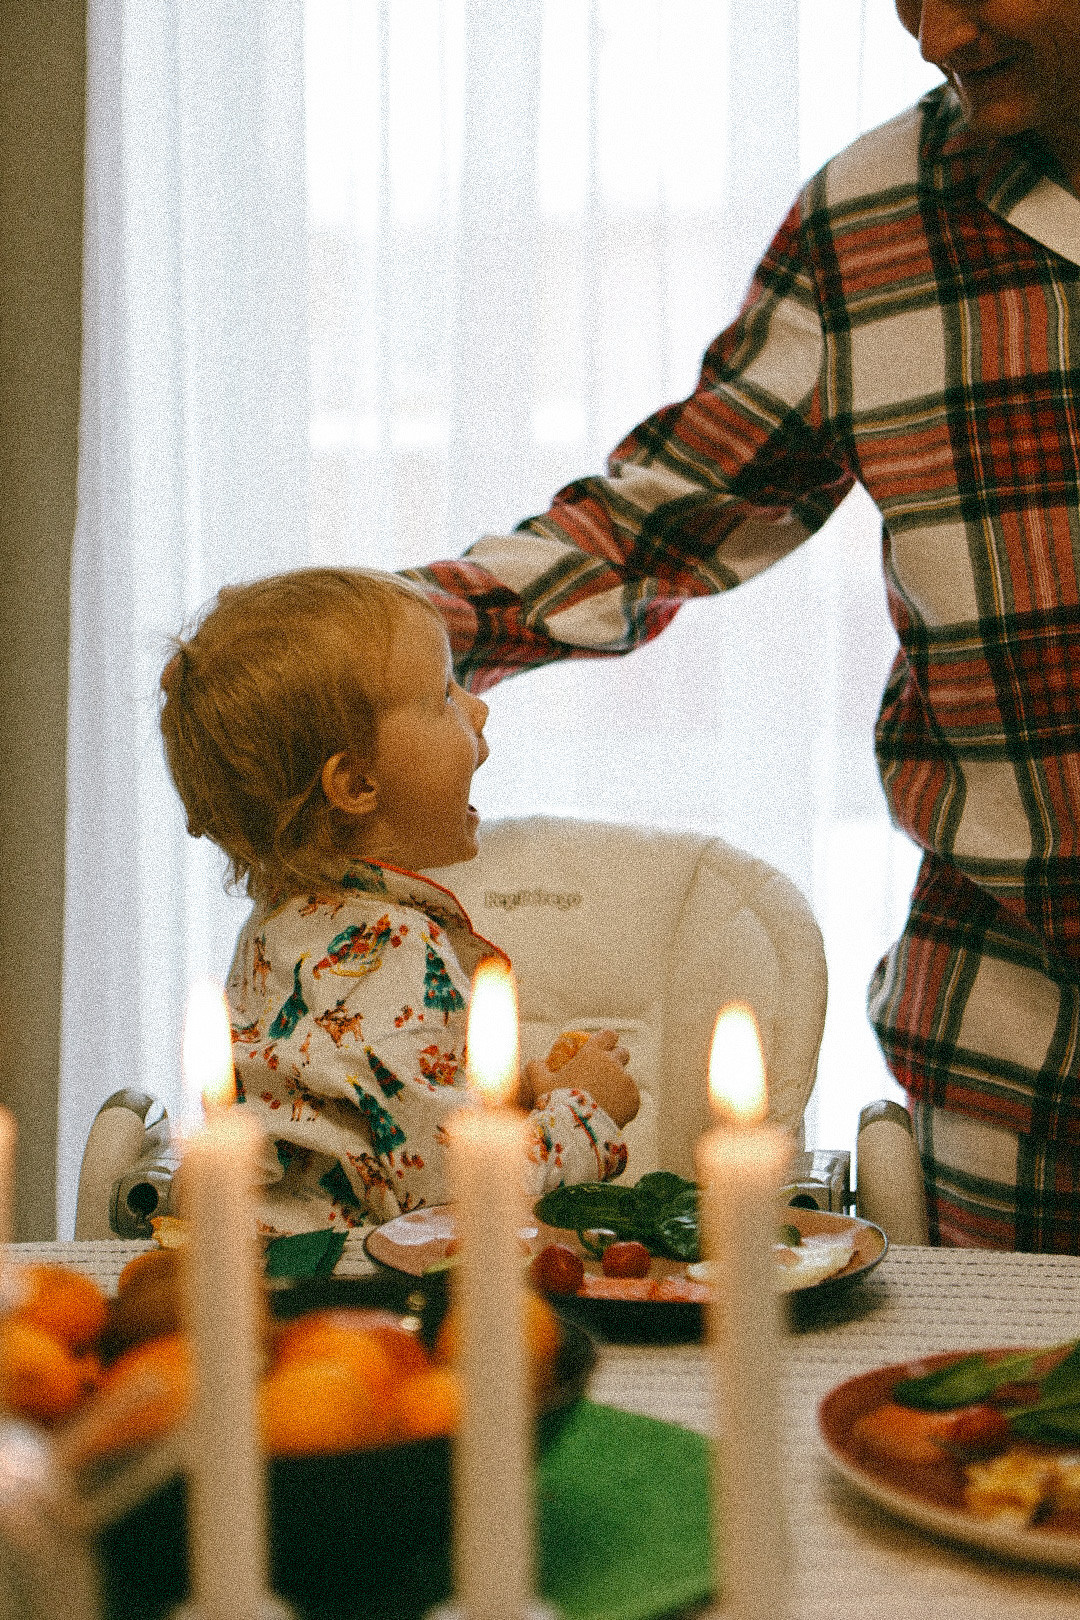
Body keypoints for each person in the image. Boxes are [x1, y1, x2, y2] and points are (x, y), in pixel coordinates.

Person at [409, 1, 1080, 1253]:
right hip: (1016, 1057)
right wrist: (372, 633)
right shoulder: (873, 212)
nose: (934, 32)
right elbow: (668, 517)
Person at [158, 567, 638, 1234]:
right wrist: (584, 1111)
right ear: (356, 783)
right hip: (339, 1300)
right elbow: (442, 1197)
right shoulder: (386, 946)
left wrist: (512, 1096)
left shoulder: (284, 924)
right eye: (444, 695)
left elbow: (360, 1118)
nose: (478, 707)